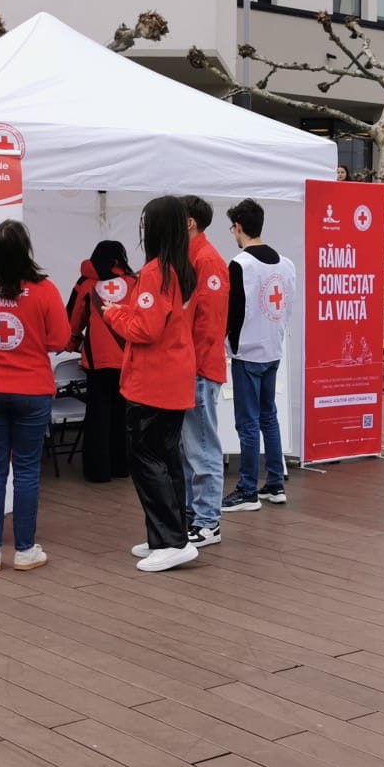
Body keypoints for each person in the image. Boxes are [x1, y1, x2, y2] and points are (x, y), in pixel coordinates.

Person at [0, 220, 72, 573]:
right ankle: (24, 551)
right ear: (26, 251)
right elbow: (59, 339)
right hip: (32, 390)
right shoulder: (44, 289)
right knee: (26, 471)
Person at [103, 196, 200, 573]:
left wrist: (113, 315)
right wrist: (124, 311)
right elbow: (155, 317)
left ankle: (171, 540)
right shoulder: (181, 267)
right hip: (173, 377)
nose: (142, 229)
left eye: (145, 222)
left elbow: (145, 329)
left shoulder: (156, 271)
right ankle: (170, 535)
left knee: (147, 459)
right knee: (166, 458)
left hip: (152, 381)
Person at [222, 198, 297, 512]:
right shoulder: (286, 263)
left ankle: (247, 490)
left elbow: (233, 312)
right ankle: (275, 483)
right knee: (268, 416)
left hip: (248, 352)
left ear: (238, 227)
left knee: (248, 423)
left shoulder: (241, 264)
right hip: (273, 348)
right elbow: (287, 307)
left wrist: (228, 345)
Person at [180, 196, 231, 548]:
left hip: (198, 368)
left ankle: (207, 521)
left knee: (201, 446)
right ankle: (194, 515)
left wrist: (191, 363)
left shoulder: (207, 260)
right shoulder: (191, 257)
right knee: (190, 447)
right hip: (187, 368)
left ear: (189, 222)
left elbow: (210, 324)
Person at [68, 240, 137, 483]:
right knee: (123, 414)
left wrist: (74, 343)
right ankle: (122, 466)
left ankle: (97, 471)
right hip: (128, 359)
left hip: (97, 360)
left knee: (97, 414)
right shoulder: (134, 282)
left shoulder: (85, 283)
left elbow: (72, 319)